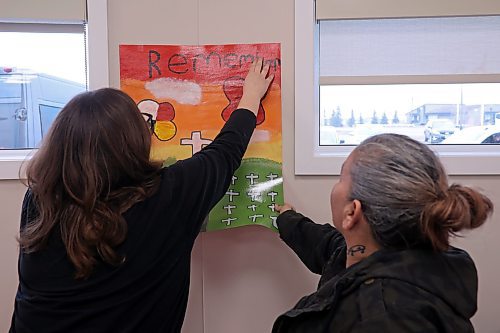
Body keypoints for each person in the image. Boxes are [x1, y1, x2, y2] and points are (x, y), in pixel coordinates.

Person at [10, 59, 274, 333]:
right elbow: (225, 152)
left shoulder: (40, 201)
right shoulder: (165, 198)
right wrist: (251, 96)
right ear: (134, 141)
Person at [272, 133, 493, 333]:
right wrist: (288, 219)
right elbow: (329, 246)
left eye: (341, 178)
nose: (336, 185)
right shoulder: (414, 260)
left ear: (352, 212)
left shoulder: (382, 319)